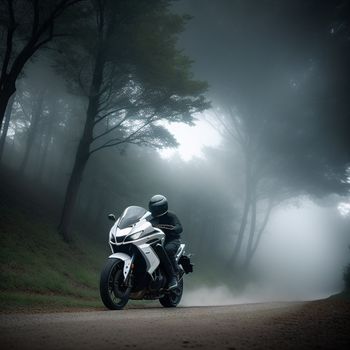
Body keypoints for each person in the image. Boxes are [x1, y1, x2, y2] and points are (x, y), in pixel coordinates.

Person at [148, 194, 182, 290]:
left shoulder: (171, 216)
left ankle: (173, 277)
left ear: (163, 207)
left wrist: (174, 228)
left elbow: (179, 227)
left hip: (172, 240)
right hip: (156, 240)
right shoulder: (150, 218)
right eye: (153, 207)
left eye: (156, 208)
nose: (154, 210)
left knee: (167, 250)